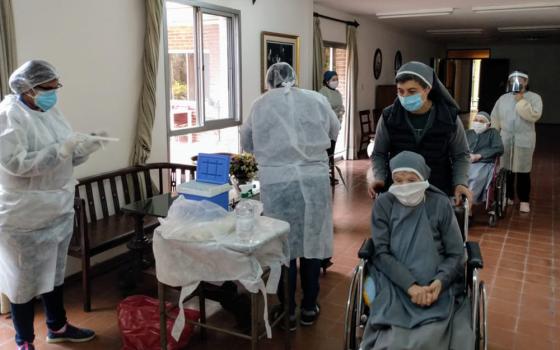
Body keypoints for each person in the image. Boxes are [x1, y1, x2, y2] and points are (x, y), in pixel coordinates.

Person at [0, 60, 108, 350]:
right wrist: (61, 149)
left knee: (54, 274)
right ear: (28, 88)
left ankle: (57, 327)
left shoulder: (50, 111)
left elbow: (64, 157)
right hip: (24, 216)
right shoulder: (10, 115)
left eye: (56, 88)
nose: (53, 94)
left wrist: (84, 147)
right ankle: (24, 341)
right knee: (22, 284)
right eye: (48, 89)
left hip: (57, 208)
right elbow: (15, 164)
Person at [240, 62, 340, 330]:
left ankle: (289, 312)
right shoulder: (317, 99)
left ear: (269, 81)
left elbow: (247, 142)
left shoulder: (260, 105)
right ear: (294, 78)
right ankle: (309, 306)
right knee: (311, 243)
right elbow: (334, 130)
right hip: (313, 180)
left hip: (277, 184)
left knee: (282, 247)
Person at [360, 151, 474, 350]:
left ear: (424, 178)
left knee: (431, 337)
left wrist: (439, 283)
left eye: (412, 180)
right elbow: (381, 253)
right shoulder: (383, 205)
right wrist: (410, 286)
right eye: (398, 180)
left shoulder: (440, 205)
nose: (405, 186)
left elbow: (456, 253)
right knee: (393, 340)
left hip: (437, 285)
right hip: (395, 281)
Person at [369, 61, 472, 207]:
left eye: (412, 91)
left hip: (438, 190)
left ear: (427, 89)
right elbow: (379, 153)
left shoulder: (449, 118)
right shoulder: (389, 117)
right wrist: (379, 177)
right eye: (400, 91)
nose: (405, 96)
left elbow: (461, 155)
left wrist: (460, 183)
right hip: (401, 192)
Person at [491, 70, 543, 213]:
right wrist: (494, 135)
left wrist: (521, 101)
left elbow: (533, 116)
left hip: (524, 138)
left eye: (520, 79)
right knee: (506, 169)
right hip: (506, 138)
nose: (516, 82)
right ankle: (508, 196)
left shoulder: (534, 98)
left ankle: (524, 200)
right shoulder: (503, 98)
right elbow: (495, 117)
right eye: (513, 79)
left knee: (523, 171)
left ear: (526, 81)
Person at [319, 70, 345, 269]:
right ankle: (327, 174)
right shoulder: (322, 93)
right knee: (326, 152)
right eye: (333, 79)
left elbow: (340, 107)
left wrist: (340, 114)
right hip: (325, 128)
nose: (335, 82)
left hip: (335, 127)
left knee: (332, 153)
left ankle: (330, 173)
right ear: (327, 81)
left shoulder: (336, 93)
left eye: (336, 79)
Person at [466, 111, 504, 205]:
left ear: (488, 124)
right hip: (465, 161)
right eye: (476, 120)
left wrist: (479, 155)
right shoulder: (468, 133)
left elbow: (499, 148)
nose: (477, 123)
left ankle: (469, 206)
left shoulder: (493, 133)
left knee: (475, 177)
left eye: (481, 121)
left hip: (483, 163)